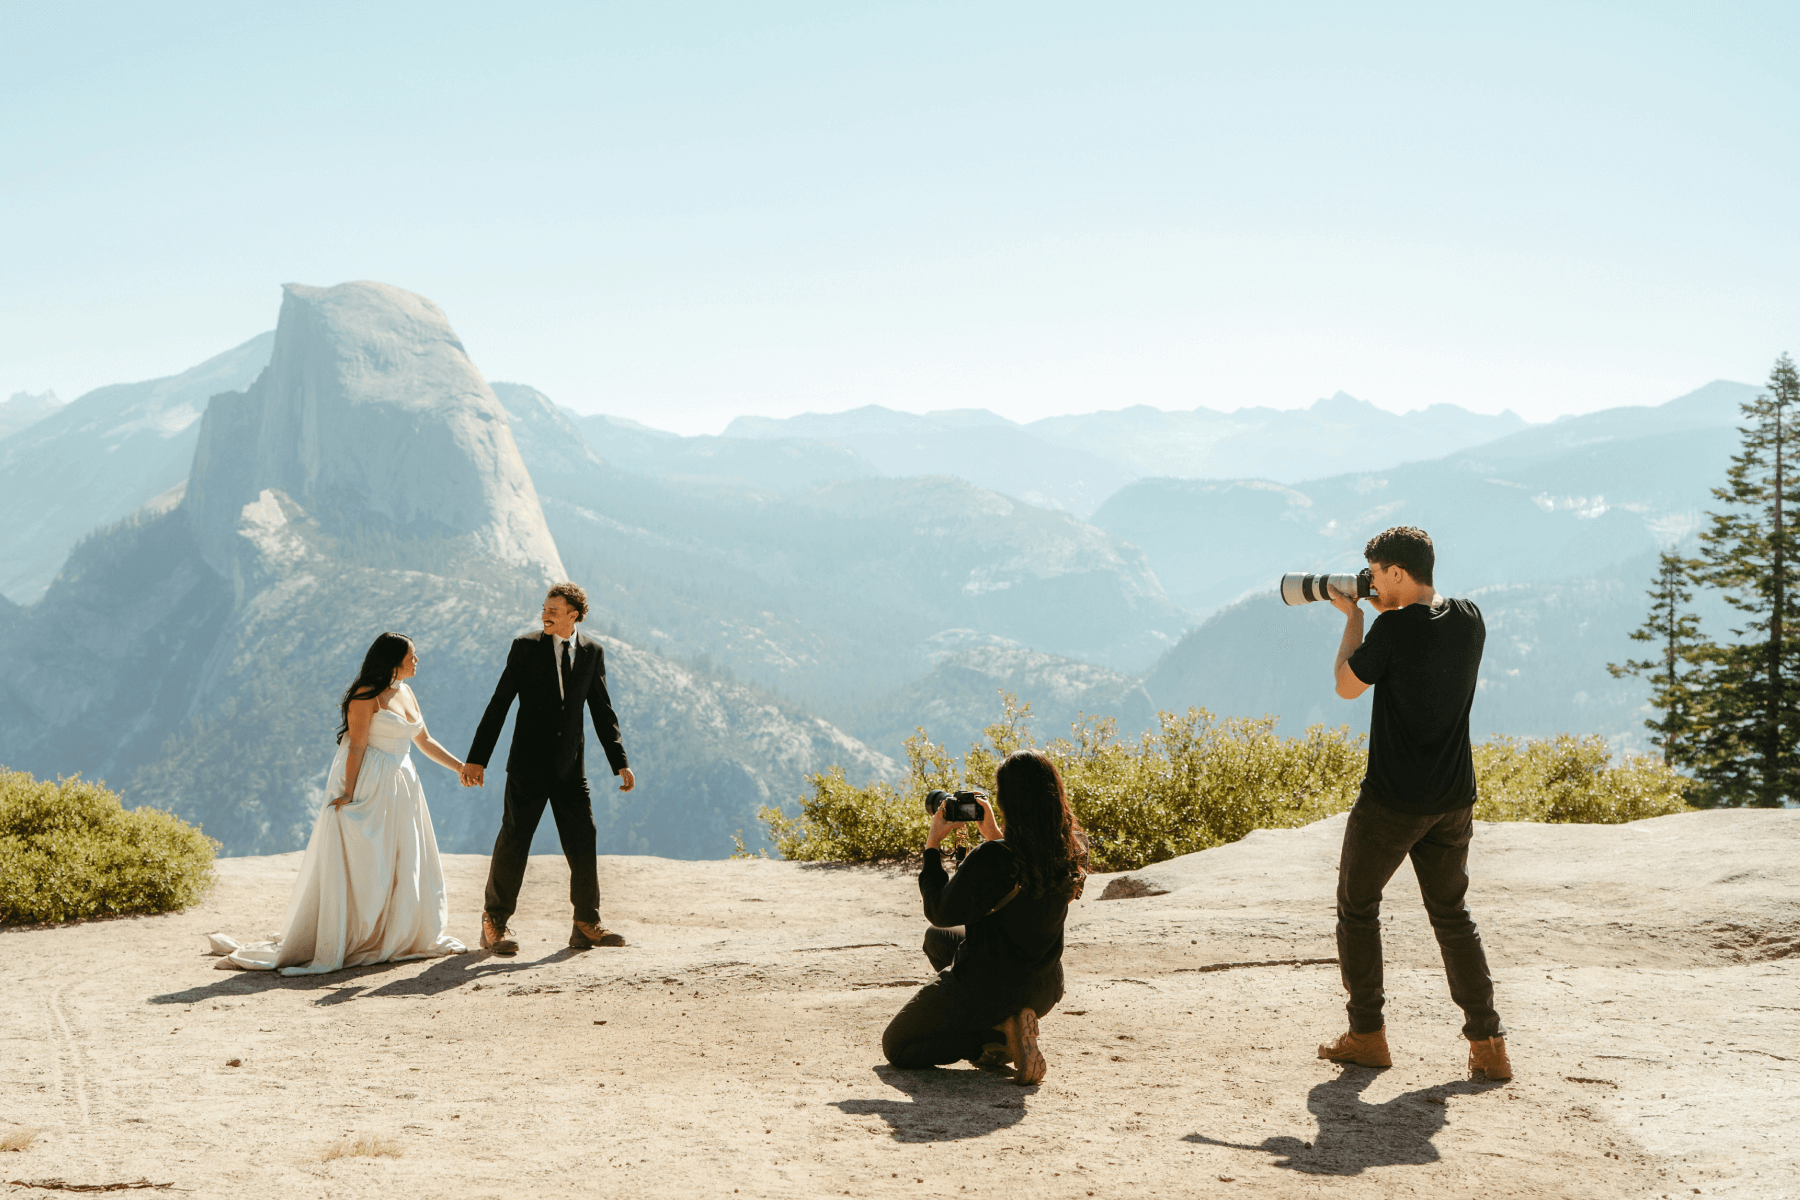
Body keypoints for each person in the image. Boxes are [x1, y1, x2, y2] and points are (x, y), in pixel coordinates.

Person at [1317, 525, 1512, 1081]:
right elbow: (1428, 633)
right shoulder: (1471, 616)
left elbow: (1346, 686)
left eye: (1376, 573)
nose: (1369, 581)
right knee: (1452, 915)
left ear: (1396, 573)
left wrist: (1355, 615)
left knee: (1358, 906)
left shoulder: (1390, 629)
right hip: (1453, 798)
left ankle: (1367, 1035)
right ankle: (1489, 1042)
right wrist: (1388, 606)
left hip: (1393, 802)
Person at [207, 633, 468, 974]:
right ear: (393, 661)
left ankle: (398, 932)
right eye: (412, 656)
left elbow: (424, 740)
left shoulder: (405, 691)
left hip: (404, 785)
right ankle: (363, 933)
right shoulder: (365, 697)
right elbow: (357, 747)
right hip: (373, 785)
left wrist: (460, 767)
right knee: (371, 864)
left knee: (406, 859)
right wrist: (350, 793)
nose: (417, 661)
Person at [882, 750, 1087, 1085]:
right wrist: (991, 831)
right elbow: (1026, 873)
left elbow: (939, 909)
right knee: (937, 939)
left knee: (899, 1045)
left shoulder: (992, 858)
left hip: (988, 983)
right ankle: (1008, 1021)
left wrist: (933, 844)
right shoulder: (1072, 847)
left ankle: (994, 1036)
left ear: (1007, 800)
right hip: (1045, 984)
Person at [461, 582, 635, 954]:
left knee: (583, 839)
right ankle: (494, 922)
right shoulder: (525, 648)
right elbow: (500, 703)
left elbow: (602, 710)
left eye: (553, 611)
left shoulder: (591, 652)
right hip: (527, 767)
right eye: (543, 609)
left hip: (571, 769)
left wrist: (619, 761)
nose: (544, 615)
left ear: (573, 615)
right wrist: (477, 758)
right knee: (515, 840)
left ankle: (586, 923)